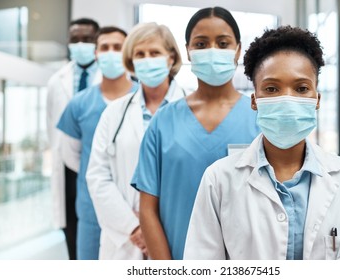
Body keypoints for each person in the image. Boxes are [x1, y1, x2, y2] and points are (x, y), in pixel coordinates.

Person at [183, 26, 340, 260]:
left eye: (301, 88)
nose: (288, 99)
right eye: (272, 89)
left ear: (317, 99)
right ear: (254, 101)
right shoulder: (219, 180)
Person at [131, 6, 260, 260]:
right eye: (201, 44)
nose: (212, 50)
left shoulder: (260, 119)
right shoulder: (164, 121)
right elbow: (147, 208)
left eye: (223, 43)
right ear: (188, 50)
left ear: (238, 50)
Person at [86, 22, 185, 260]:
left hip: (178, 232)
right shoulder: (114, 113)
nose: (147, 59)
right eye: (140, 54)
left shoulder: (191, 108)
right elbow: (98, 176)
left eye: (154, 53)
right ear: (131, 60)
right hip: (126, 240)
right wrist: (136, 228)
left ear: (171, 58)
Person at [57, 26, 139, 260]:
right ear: (95, 53)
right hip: (92, 209)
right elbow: (72, 156)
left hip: (135, 211)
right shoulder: (79, 104)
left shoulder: (143, 99)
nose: (110, 53)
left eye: (118, 47)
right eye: (104, 47)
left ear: (127, 54)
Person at [46, 17, 100, 260]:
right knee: (72, 232)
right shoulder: (56, 81)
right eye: (75, 39)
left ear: (97, 41)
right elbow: (52, 129)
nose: (80, 44)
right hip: (67, 171)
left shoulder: (111, 79)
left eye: (87, 39)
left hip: (97, 164)